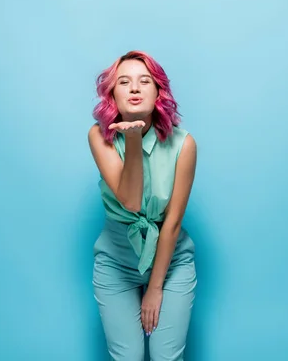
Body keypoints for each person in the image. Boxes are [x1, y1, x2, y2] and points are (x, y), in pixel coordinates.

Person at [87, 50, 197, 360]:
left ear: (158, 92)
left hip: (170, 261)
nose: (134, 88)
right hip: (116, 261)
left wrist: (155, 288)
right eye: (124, 82)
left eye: (144, 81)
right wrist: (133, 141)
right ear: (113, 95)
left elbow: (173, 223)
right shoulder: (99, 136)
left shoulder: (183, 144)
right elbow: (131, 201)